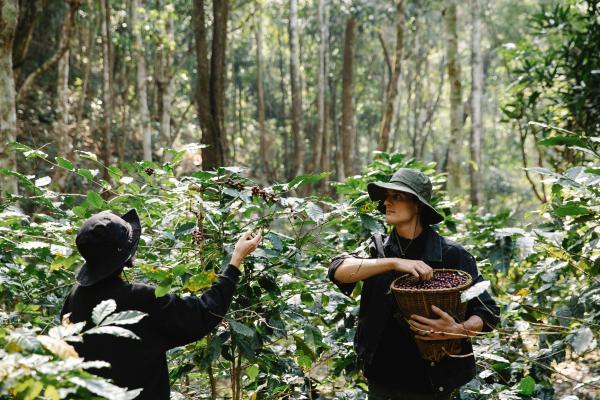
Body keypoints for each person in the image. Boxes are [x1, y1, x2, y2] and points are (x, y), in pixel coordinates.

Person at [328, 168, 500, 400]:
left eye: (397, 196)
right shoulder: (377, 249)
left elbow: (488, 312)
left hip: (431, 382)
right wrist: (394, 263)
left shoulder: (451, 255)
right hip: (382, 379)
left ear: (417, 205)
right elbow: (338, 269)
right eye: (386, 196)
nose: (387, 202)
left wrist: (459, 330)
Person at [60, 208, 262, 399]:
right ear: (126, 257)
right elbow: (202, 314)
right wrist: (236, 260)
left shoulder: (75, 297)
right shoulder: (140, 298)